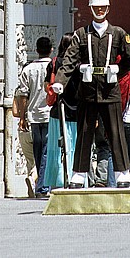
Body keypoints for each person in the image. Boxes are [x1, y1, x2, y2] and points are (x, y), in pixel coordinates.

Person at [51, 0, 130, 188]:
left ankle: (123, 173)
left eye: (103, 7)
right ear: (90, 8)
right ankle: (79, 175)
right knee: (84, 132)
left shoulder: (118, 33)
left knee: (115, 132)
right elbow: (69, 60)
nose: (99, 10)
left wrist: (118, 69)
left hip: (110, 90)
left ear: (108, 8)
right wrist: (60, 81)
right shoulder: (81, 34)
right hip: (88, 91)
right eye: (96, 7)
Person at [15, 36, 53, 197]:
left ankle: (40, 182)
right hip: (51, 114)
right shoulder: (53, 67)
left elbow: (22, 95)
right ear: (51, 49)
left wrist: (22, 117)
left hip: (34, 115)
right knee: (47, 150)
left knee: (38, 150)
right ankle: (43, 186)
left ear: (36, 50)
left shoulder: (27, 69)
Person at [43, 33, 79, 189]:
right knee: (76, 148)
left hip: (58, 110)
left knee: (56, 149)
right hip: (78, 111)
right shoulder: (81, 64)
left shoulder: (54, 62)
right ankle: (76, 179)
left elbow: (47, 87)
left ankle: (57, 181)